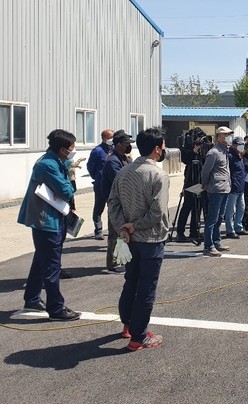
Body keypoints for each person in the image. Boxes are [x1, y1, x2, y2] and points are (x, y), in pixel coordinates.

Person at [107, 127, 170, 351]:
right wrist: (135, 226)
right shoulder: (158, 175)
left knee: (131, 281)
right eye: (163, 146)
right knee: (146, 287)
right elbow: (157, 212)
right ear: (156, 149)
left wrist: (122, 228)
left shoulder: (123, 172)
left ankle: (128, 325)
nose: (164, 150)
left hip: (129, 238)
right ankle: (139, 336)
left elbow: (112, 203)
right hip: (150, 239)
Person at [18, 129, 81, 321]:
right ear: (63, 150)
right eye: (71, 148)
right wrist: (70, 175)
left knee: (42, 260)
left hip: (53, 218)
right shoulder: (48, 166)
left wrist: (69, 165)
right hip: (46, 221)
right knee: (52, 265)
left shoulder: (54, 161)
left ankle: (32, 298)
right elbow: (66, 191)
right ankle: (56, 308)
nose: (73, 151)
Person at [102, 130, 134, 272]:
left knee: (123, 231)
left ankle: (120, 259)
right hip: (116, 201)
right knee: (115, 232)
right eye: (126, 144)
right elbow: (122, 181)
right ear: (119, 144)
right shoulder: (112, 161)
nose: (128, 146)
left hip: (125, 200)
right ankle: (112, 262)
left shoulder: (124, 158)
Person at [201, 126, 233, 257]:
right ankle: (208, 245)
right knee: (212, 218)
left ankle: (216, 240)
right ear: (220, 136)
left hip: (225, 188)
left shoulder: (225, 151)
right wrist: (204, 184)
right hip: (215, 188)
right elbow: (205, 171)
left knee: (220, 217)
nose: (229, 137)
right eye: (226, 134)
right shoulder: (213, 152)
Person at [176, 128, 205, 243]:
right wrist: (195, 148)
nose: (201, 140)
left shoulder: (203, 148)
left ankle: (194, 231)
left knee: (198, 207)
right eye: (199, 137)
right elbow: (186, 160)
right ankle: (180, 232)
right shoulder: (187, 148)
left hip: (200, 180)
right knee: (187, 206)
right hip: (190, 180)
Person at [87, 129, 114, 240]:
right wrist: (97, 176)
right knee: (99, 207)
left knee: (112, 207)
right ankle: (98, 230)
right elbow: (90, 166)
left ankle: (111, 229)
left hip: (111, 184)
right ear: (104, 138)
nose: (112, 140)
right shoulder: (97, 151)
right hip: (100, 184)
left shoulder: (114, 149)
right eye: (110, 137)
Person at [224, 137, 248, 239]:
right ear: (233, 145)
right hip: (232, 187)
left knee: (241, 208)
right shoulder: (230, 156)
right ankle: (230, 230)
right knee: (230, 210)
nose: (241, 147)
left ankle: (238, 227)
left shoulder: (240, 156)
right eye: (239, 144)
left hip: (240, 187)